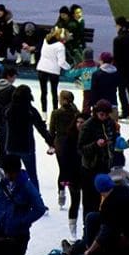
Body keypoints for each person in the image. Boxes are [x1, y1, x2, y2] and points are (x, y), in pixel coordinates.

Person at [0, 154, 47, 255]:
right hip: (2, 230)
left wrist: (22, 221)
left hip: (19, 235)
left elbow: (40, 208)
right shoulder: (2, 185)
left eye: (9, 172)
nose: (7, 175)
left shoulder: (27, 186)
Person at [4, 85, 53, 189]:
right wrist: (51, 142)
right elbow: (41, 128)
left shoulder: (9, 109)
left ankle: (9, 197)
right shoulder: (30, 110)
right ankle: (35, 199)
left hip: (11, 146)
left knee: (11, 175)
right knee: (32, 175)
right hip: (26, 147)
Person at [49, 89, 83, 237]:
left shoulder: (56, 113)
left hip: (60, 143)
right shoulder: (77, 113)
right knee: (68, 168)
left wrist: (51, 144)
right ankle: (65, 188)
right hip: (73, 144)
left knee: (62, 168)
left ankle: (62, 190)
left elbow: (51, 130)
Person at [37, 29, 69, 113]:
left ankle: (44, 114)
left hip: (42, 68)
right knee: (54, 93)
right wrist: (69, 67)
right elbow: (61, 62)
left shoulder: (45, 40)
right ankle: (55, 113)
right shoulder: (60, 46)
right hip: (53, 71)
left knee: (43, 92)